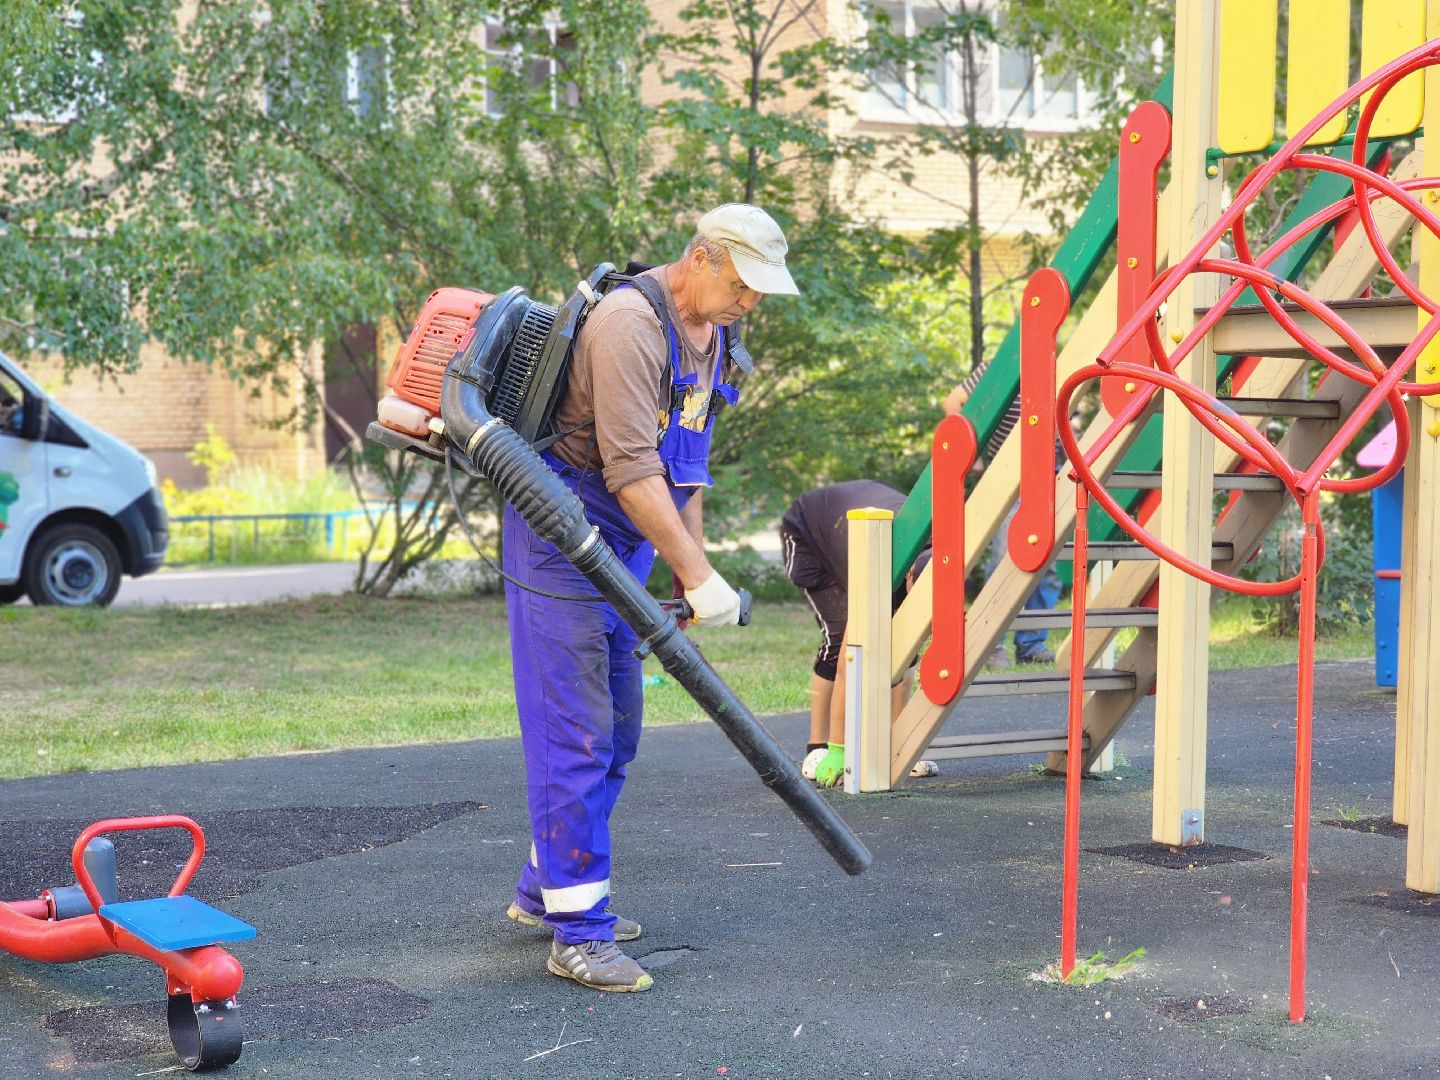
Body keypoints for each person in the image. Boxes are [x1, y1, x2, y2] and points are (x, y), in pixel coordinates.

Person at [500, 204, 799, 993]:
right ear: (701, 258)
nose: (752, 303)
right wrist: (700, 578)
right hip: (557, 529)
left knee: (621, 728)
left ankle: (546, 891)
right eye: (742, 284)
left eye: (760, 292)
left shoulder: (711, 335)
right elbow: (633, 469)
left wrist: (685, 572)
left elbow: (684, 466)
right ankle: (579, 934)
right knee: (577, 732)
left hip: (627, 537)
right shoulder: (631, 326)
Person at [779, 481, 937, 787]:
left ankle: (893, 742)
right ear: (907, 577)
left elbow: (909, 654)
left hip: (868, 535)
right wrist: (840, 751)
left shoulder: (948, 557)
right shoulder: (880, 567)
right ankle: (819, 745)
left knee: (904, 641)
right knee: (840, 640)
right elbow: (849, 663)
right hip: (810, 531)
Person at [943, 378, 1061, 667]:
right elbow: (953, 401)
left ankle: (1031, 645)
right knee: (1004, 565)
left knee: (1047, 569)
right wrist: (971, 454)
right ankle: (991, 647)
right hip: (1012, 479)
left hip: (1052, 477)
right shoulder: (999, 368)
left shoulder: (1057, 367)